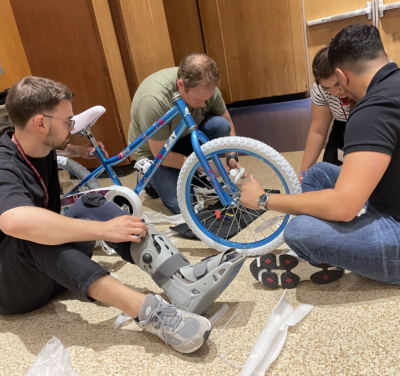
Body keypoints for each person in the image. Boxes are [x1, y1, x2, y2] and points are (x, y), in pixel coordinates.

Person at [0, 76, 245, 354]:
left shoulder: (32, 139)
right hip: (13, 288)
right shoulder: (4, 164)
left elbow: (53, 146)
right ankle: (149, 312)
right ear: (40, 123)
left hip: (50, 274)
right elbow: (14, 221)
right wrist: (103, 231)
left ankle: (180, 279)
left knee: (92, 202)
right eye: (67, 121)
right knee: (33, 237)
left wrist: (77, 150)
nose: (72, 127)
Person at [241, 24, 400, 289]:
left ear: (342, 75)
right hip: (391, 195)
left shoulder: (372, 109)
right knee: (320, 172)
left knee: (299, 232)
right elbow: (319, 130)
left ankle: (320, 254)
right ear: (384, 52)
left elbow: (344, 207)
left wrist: (263, 199)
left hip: (394, 224)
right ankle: (334, 248)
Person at [128, 53, 238, 214]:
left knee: (220, 125)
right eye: (198, 100)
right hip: (155, 153)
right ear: (180, 84)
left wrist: (232, 158)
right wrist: (202, 165)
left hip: (185, 137)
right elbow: (161, 154)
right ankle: (152, 180)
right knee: (182, 206)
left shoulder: (207, 89)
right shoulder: (153, 100)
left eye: (206, 99)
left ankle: (188, 171)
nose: (202, 105)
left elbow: (228, 124)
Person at [299, 46, 354, 182]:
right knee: (328, 173)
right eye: (327, 88)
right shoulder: (319, 89)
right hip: (341, 125)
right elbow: (318, 130)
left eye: (337, 84)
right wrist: (303, 175)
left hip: (368, 126)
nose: (335, 92)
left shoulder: (359, 81)